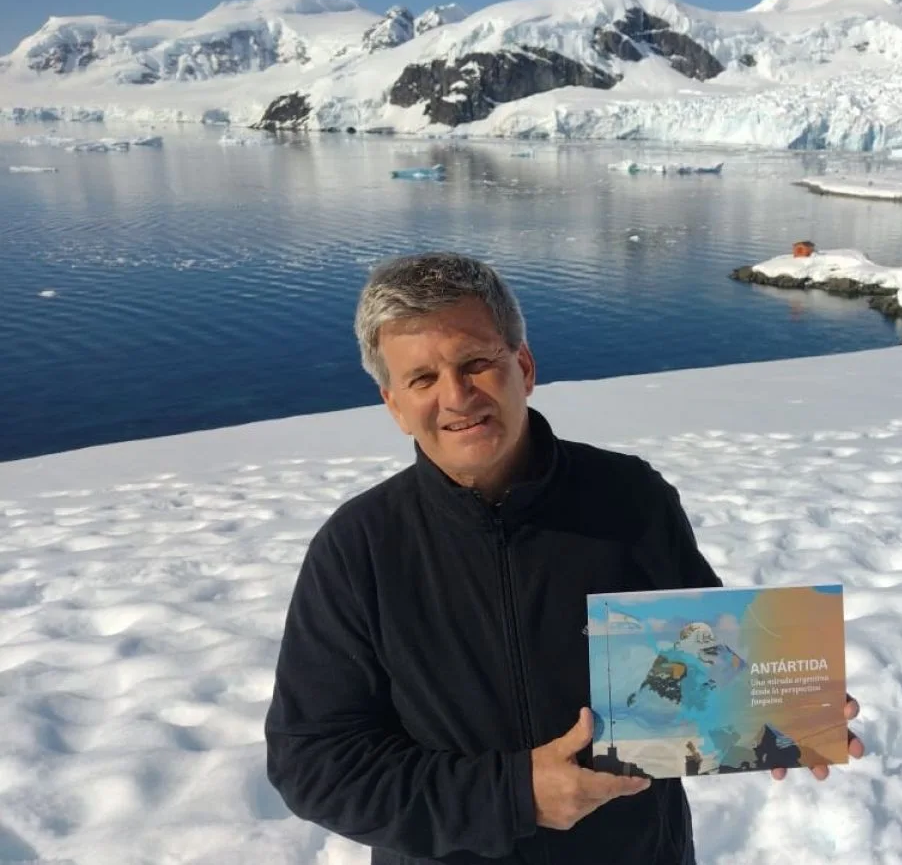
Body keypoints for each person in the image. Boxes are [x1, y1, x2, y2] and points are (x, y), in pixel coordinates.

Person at [264, 253, 864, 865]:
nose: (457, 397)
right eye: (422, 379)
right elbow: (313, 763)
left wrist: (781, 705)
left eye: (477, 363)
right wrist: (510, 795)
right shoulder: (358, 548)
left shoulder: (630, 498)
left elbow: (702, 650)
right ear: (394, 405)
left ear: (522, 367)